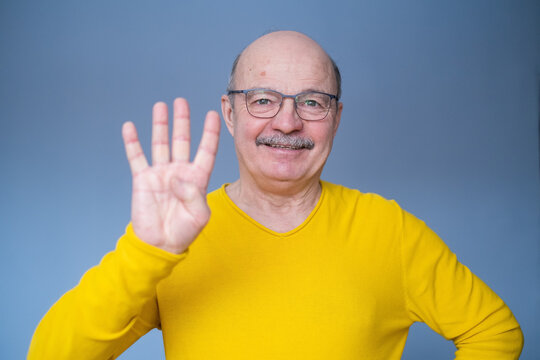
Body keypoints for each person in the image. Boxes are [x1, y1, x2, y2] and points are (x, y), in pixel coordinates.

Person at [28, 31, 523, 359]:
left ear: (337, 118)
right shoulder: (172, 241)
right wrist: (147, 250)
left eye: (312, 101)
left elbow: (495, 332)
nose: (288, 122)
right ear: (229, 113)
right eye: (263, 100)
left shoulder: (389, 230)